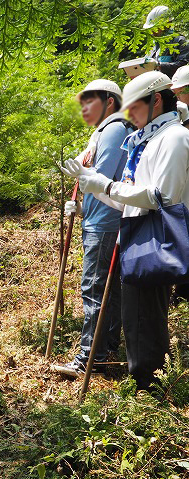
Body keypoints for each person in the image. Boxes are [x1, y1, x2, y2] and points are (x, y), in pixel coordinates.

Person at [62, 72, 189, 391]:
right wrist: (94, 188)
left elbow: (162, 197)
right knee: (135, 315)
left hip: (156, 236)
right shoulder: (153, 138)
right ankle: (144, 383)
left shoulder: (174, 137)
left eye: (134, 108)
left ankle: (152, 389)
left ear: (156, 100)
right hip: (137, 232)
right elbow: (131, 198)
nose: (130, 116)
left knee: (147, 317)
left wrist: (104, 184)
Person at [52, 80, 133, 379]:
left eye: (91, 101)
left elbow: (103, 179)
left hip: (105, 224)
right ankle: (105, 350)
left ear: (109, 102)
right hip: (99, 219)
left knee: (95, 289)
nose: (85, 108)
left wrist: (86, 180)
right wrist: (82, 207)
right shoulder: (104, 130)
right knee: (107, 292)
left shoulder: (113, 128)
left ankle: (89, 357)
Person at [144, 6, 189, 77]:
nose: (152, 32)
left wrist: (159, 66)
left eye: (155, 28)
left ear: (167, 25)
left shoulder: (180, 42)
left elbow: (184, 67)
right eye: (150, 29)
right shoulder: (153, 48)